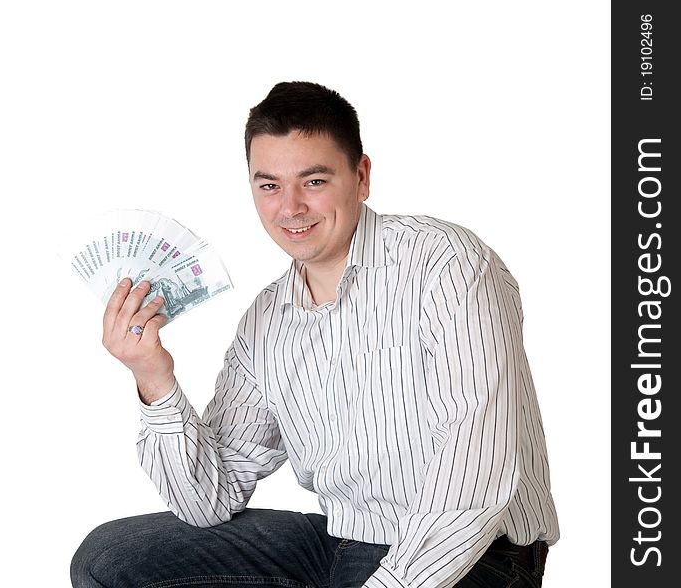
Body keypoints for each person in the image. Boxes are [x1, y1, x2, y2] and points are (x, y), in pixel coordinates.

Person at [71, 81, 559, 588]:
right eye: (269, 186)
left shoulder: (445, 263)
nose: (290, 208)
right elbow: (207, 500)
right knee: (110, 558)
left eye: (314, 181)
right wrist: (153, 376)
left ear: (361, 177)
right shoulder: (267, 321)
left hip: (476, 552)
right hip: (343, 539)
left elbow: (475, 475)